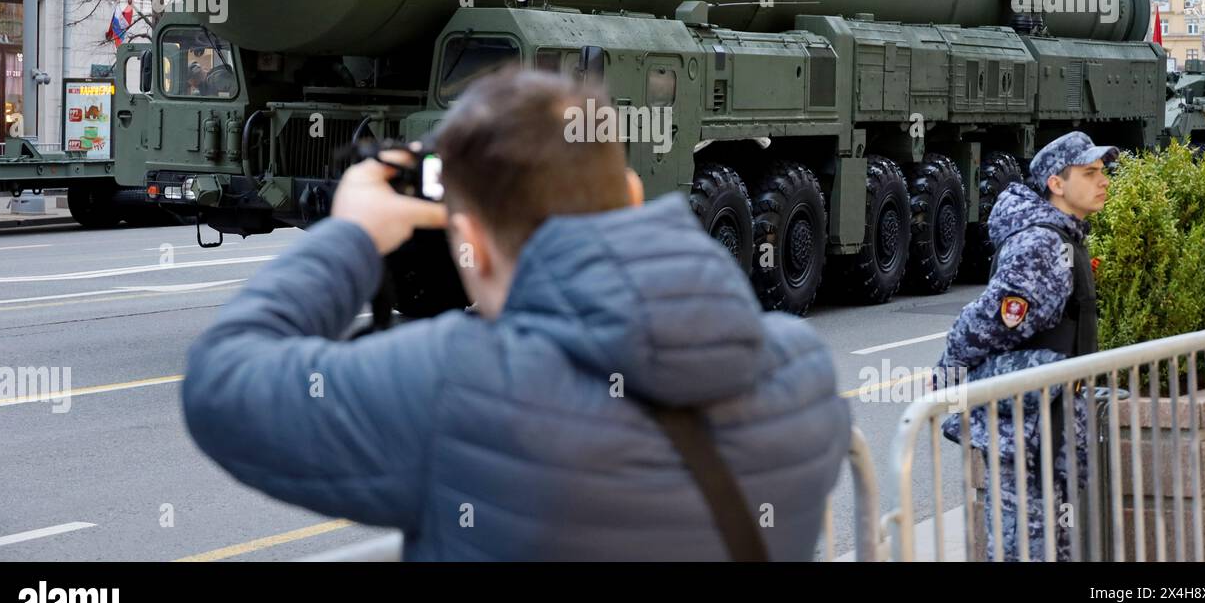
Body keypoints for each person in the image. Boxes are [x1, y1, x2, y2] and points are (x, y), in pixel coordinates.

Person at [183, 69, 850, 561]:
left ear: (467, 240)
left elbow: (221, 382)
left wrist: (353, 235)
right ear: (634, 192)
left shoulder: (462, 384)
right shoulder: (801, 372)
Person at [935, 131, 1117, 561]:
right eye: (1089, 172)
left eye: (1103, 171)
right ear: (1056, 183)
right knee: (1024, 549)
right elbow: (986, 322)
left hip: (1043, 424)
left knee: (1052, 544)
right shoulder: (1042, 244)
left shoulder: (1063, 236)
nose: (1103, 180)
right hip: (1025, 428)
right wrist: (949, 379)